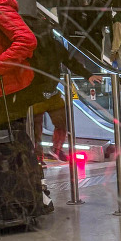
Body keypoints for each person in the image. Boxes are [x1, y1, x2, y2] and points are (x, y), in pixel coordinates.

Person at [27, 17, 103, 163]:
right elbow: (71, 63)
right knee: (40, 127)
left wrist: (88, 75)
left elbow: (70, 62)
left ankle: (50, 152)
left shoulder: (50, 46)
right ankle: (40, 155)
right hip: (38, 93)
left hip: (46, 92)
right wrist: (88, 75)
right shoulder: (44, 45)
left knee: (52, 124)